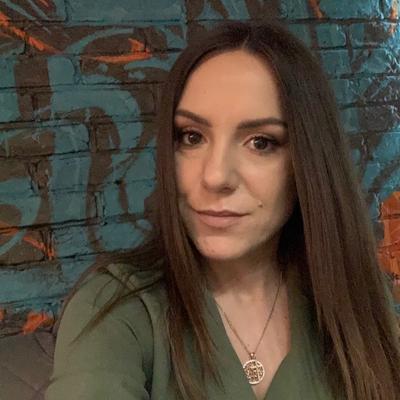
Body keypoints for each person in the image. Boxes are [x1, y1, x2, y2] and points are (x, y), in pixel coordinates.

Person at [45, 20, 400, 400]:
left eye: (261, 142)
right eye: (192, 137)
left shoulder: (357, 297)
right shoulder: (117, 309)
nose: (215, 176)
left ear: (309, 162)